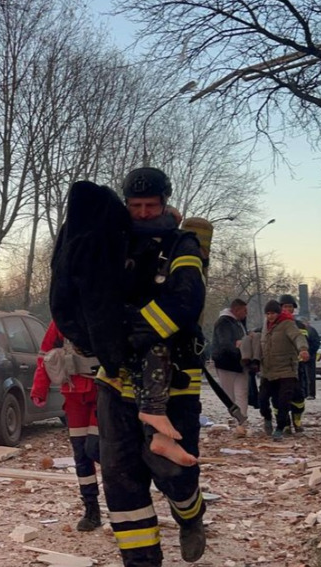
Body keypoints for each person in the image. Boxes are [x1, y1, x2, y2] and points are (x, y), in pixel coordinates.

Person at [91, 167, 208, 565]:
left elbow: (185, 300)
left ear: (164, 203)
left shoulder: (182, 246)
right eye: (135, 206)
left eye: (150, 206)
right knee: (121, 478)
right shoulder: (114, 246)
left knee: (172, 470)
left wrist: (135, 334)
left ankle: (191, 515)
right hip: (116, 380)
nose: (142, 213)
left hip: (173, 379)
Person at [31, 320, 103, 532]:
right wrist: (39, 389)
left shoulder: (104, 307)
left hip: (105, 390)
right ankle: (91, 509)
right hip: (74, 393)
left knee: (98, 448)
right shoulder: (63, 317)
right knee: (81, 454)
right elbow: (45, 354)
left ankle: (124, 499)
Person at [258, 300, 310, 441]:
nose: (270, 316)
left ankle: (280, 428)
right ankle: (267, 418)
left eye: (273, 313)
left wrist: (303, 349)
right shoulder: (265, 326)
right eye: (267, 314)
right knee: (262, 399)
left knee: (283, 401)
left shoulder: (287, 324)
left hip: (286, 370)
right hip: (268, 371)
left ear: (278, 313)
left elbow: (297, 337)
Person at [211, 299, 249, 436]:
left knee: (241, 392)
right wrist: (239, 348)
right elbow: (225, 344)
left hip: (238, 363)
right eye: (244, 311)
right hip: (227, 363)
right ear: (236, 310)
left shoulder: (237, 322)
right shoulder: (224, 322)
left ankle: (241, 419)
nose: (246, 314)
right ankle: (238, 418)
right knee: (230, 394)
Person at [277, 295, 307, 431]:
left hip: (296, 366)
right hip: (279, 366)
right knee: (279, 396)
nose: (288, 309)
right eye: (285, 307)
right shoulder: (274, 324)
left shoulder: (300, 326)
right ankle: (285, 422)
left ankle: (297, 419)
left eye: (290, 307)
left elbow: (306, 342)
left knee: (298, 396)